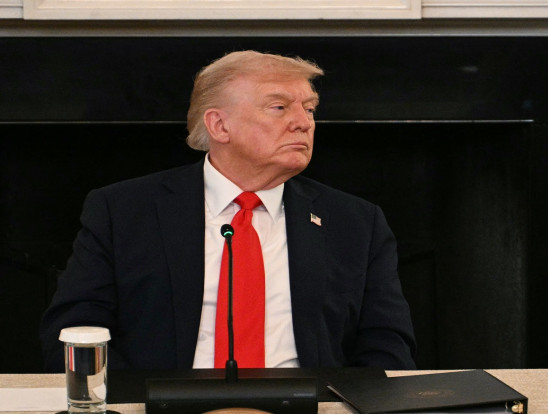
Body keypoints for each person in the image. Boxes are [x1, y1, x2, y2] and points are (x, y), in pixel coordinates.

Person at [40, 50, 416, 372]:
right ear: (220, 125)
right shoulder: (123, 211)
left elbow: (388, 345)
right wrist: (133, 411)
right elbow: (75, 330)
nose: (303, 123)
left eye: (309, 109)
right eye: (279, 107)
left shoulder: (356, 222)